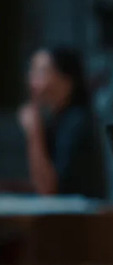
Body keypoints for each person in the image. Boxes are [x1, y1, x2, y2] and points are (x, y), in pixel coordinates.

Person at [15, 48, 106, 198]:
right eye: (32, 71)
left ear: (67, 81)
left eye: (42, 72)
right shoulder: (55, 121)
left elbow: (49, 189)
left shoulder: (77, 122)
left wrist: (34, 131)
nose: (32, 80)